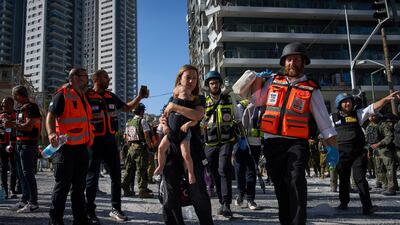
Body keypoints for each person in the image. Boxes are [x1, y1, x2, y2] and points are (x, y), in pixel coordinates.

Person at [233, 42, 339, 225]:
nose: (292, 63)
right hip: (272, 144)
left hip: (296, 143)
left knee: (296, 179)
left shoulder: (311, 88)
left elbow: (324, 119)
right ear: (284, 63)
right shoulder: (273, 82)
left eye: (296, 59)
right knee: (280, 186)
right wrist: (256, 80)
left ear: (303, 62)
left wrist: (333, 148)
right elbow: (254, 100)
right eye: (289, 60)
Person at [85, 69, 148, 224]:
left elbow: (126, 108)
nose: (109, 79)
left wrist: (140, 96)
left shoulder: (110, 96)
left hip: (110, 142)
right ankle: (90, 212)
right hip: (93, 142)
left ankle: (116, 209)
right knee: (92, 177)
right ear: (96, 79)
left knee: (116, 177)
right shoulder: (86, 96)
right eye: (106, 77)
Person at [161, 64, 214, 225]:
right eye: (188, 77)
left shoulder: (199, 98)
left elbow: (197, 115)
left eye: (194, 78)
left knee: (197, 191)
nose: (191, 81)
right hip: (172, 150)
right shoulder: (172, 97)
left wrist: (174, 107)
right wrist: (163, 123)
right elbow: (164, 117)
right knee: (170, 193)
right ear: (180, 79)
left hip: (193, 149)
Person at [332, 91, 399, 215]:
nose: (348, 104)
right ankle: (343, 202)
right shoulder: (333, 118)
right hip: (342, 153)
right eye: (345, 102)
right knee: (344, 178)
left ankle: (367, 207)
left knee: (360, 179)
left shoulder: (358, 114)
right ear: (339, 104)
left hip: (358, 153)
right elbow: (325, 133)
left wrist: (387, 99)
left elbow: (373, 107)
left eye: (349, 101)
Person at [46, 68, 94, 225]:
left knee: (79, 188)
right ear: (74, 78)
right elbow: (50, 115)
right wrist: (52, 133)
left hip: (81, 149)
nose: (87, 79)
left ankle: (80, 219)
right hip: (65, 149)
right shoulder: (63, 94)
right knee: (62, 187)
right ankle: (55, 221)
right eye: (85, 76)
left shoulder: (82, 96)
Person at [202, 70, 240, 218]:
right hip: (209, 143)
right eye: (211, 83)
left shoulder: (229, 99)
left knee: (223, 169)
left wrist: (239, 129)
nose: (214, 85)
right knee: (213, 171)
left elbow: (237, 116)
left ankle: (226, 204)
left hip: (226, 141)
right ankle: (221, 199)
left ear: (220, 84)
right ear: (208, 85)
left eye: (216, 82)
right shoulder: (204, 102)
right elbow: (198, 120)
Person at [6, 85, 41, 213]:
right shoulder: (20, 108)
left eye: (14, 95)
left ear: (19, 95)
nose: (14, 98)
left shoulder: (32, 107)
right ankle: (25, 200)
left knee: (28, 174)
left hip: (29, 145)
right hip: (19, 144)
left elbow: (29, 126)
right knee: (21, 174)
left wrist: (13, 124)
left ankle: (33, 203)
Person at [154, 82, 198, 185]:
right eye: (185, 94)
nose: (188, 96)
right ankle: (160, 165)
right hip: (170, 133)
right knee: (161, 148)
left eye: (190, 94)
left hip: (184, 134)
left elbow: (196, 119)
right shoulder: (170, 106)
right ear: (176, 96)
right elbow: (163, 118)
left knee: (186, 155)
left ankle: (191, 173)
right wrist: (164, 126)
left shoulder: (189, 106)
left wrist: (188, 124)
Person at [122, 103, 155, 198]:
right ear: (142, 111)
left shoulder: (129, 122)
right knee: (142, 170)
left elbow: (125, 136)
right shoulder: (143, 121)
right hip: (140, 148)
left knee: (129, 170)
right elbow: (146, 136)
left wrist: (130, 146)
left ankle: (126, 189)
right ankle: (142, 191)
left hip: (131, 148)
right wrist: (150, 147)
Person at [234, 99, 262, 210]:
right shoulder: (240, 106)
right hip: (239, 143)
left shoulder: (261, 105)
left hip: (255, 143)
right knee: (240, 170)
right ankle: (241, 194)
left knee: (251, 171)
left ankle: (250, 199)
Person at [366, 114, 396, 196]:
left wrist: (379, 144)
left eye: (373, 116)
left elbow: (389, 136)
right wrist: (369, 151)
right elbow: (368, 139)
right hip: (376, 151)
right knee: (379, 169)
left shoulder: (383, 125)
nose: (371, 118)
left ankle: (391, 188)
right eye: (370, 116)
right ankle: (386, 185)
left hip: (385, 150)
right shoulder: (369, 126)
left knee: (389, 169)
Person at [0, 97, 17, 199]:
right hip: (2, 144)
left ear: (11, 104)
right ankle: (4, 190)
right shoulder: (1, 115)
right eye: (2, 104)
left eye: (5, 103)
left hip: (14, 143)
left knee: (14, 168)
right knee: (3, 167)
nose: (3, 106)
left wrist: (12, 121)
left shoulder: (17, 114)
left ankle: (12, 189)